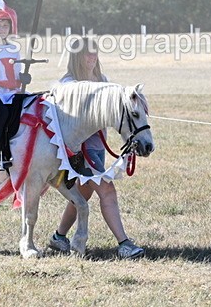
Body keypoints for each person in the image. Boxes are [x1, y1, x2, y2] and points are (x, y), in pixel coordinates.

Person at [47, 37, 145, 259]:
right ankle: (124, 244)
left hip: (98, 146)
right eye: (87, 53)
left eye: (94, 53)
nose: (92, 57)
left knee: (84, 192)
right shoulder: (69, 83)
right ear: (77, 57)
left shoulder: (103, 80)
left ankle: (59, 237)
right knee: (107, 191)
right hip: (81, 152)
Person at [0, 5, 30, 171]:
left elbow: (16, 72)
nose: (2, 29)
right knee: (1, 113)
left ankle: (10, 150)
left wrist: (23, 78)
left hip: (13, 91)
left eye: (5, 25)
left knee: (21, 112)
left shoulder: (14, 48)